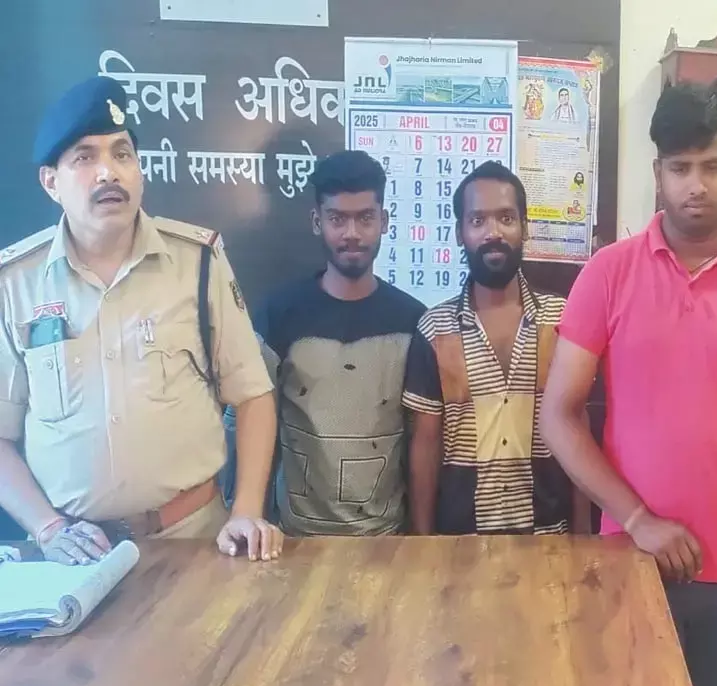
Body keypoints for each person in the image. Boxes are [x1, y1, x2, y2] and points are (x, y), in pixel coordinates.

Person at [539, 83, 717, 686]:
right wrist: (637, 519)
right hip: (631, 560)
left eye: (711, 166)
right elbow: (558, 415)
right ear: (657, 172)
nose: (696, 185)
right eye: (680, 168)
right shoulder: (608, 273)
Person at [0, 76, 281, 563]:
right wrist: (48, 529)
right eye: (85, 158)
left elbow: (253, 395)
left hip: (195, 540)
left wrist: (246, 511)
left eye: (122, 154)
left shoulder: (198, 262)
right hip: (75, 555)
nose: (108, 172)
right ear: (51, 182)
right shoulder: (15, 284)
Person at [402, 161, 590, 536]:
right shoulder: (435, 329)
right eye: (477, 221)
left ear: (525, 228)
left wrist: (585, 532)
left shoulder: (561, 320)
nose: (493, 233)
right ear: (459, 233)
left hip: (548, 540)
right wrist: (422, 543)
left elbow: (577, 423)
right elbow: (426, 443)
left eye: (506, 218)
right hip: (461, 545)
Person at [252, 150, 426, 535]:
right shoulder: (279, 315)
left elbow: (422, 442)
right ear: (317, 222)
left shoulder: (413, 321)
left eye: (365, 218)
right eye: (337, 219)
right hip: (294, 541)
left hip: (386, 542)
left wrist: (420, 540)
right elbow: (252, 425)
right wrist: (250, 518)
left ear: (383, 221)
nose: (352, 234)